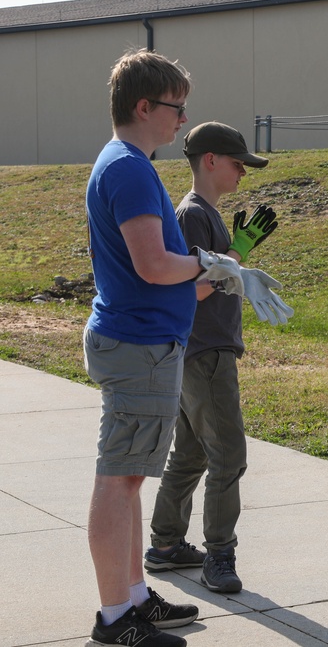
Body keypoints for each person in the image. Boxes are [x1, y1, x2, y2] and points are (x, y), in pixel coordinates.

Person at [83, 49, 241, 647]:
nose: (182, 121)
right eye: (177, 108)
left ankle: (134, 598)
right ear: (144, 106)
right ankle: (115, 617)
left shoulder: (128, 164)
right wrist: (211, 261)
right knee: (120, 479)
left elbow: (151, 270)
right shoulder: (128, 168)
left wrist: (211, 278)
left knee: (129, 480)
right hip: (139, 346)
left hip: (144, 342)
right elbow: (152, 265)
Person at [144, 122, 289, 595]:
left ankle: (165, 546)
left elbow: (214, 273)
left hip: (203, 351)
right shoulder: (192, 216)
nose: (244, 173)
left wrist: (236, 254)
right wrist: (236, 258)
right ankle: (219, 558)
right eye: (238, 163)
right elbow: (192, 291)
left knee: (189, 454)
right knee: (229, 455)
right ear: (210, 160)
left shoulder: (206, 214)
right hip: (205, 352)